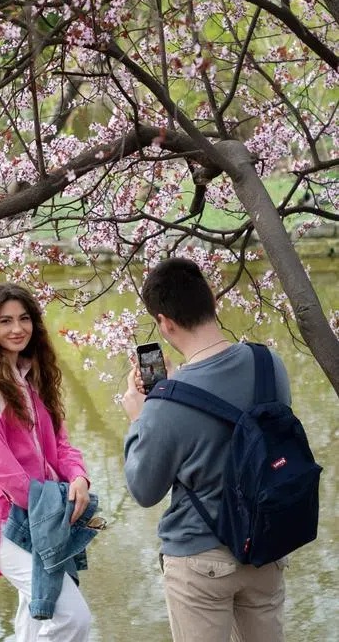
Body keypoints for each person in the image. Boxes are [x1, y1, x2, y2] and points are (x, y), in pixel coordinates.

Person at [121, 258, 291, 642]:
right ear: (211, 297)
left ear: (164, 323)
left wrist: (140, 417)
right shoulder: (270, 365)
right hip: (267, 544)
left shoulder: (166, 405)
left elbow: (144, 490)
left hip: (201, 560)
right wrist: (175, 385)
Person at [0, 284, 93, 641]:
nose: (17, 329)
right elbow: (1, 470)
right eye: (5, 321)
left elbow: (61, 443)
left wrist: (78, 478)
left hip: (43, 511)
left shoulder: (32, 374)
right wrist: (52, 510)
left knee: (36, 617)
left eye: (24, 319)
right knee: (72, 619)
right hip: (7, 520)